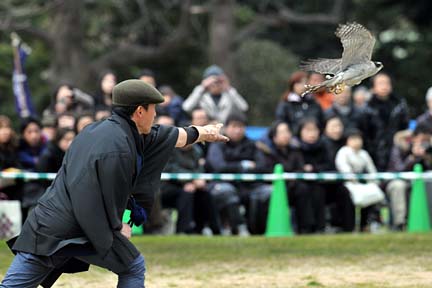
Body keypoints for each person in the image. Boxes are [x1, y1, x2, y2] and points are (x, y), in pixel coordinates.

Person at [1, 79, 228, 288]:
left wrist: (203, 132)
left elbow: (168, 136)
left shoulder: (106, 130)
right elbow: (91, 195)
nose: (156, 115)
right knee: (132, 265)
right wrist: (117, 227)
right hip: (66, 228)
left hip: (51, 224)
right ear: (140, 111)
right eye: (154, 109)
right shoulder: (117, 149)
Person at [206, 114, 265, 235]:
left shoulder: (252, 145)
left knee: (267, 192)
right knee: (226, 191)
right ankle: (238, 228)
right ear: (226, 128)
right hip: (221, 184)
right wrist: (243, 165)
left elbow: (262, 166)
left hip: (248, 185)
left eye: (241, 127)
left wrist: (233, 166)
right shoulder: (217, 144)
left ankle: (258, 230)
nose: (237, 130)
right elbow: (219, 166)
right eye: (234, 126)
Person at [335, 128, 383, 232]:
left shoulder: (364, 154)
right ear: (347, 140)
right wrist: (354, 180)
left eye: (359, 138)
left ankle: (364, 224)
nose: (357, 141)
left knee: (370, 193)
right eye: (353, 139)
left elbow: (372, 170)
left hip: (363, 183)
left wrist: (374, 182)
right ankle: (349, 227)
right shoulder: (343, 152)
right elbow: (344, 168)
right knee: (348, 196)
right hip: (348, 183)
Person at [386, 125, 432, 230]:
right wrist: (412, 158)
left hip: (420, 182)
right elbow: (399, 169)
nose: (423, 143)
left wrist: (426, 157)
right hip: (397, 181)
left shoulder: (427, 150)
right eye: (422, 140)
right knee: (398, 186)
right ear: (414, 138)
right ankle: (400, 224)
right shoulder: (399, 148)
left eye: (426, 140)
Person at [366, 72, 409, 171]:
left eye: (387, 83)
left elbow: (405, 127)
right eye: (380, 83)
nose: (384, 86)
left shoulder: (400, 105)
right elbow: (365, 133)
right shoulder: (367, 107)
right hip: (374, 152)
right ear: (373, 87)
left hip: (396, 150)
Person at [183, 65, 248, 124]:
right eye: (211, 82)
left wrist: (229, 88)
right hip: (206, 130)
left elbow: (244, 107)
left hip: (225, 131)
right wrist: (201, 87)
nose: (215, 84)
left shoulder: (229, 95)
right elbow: (186, 107)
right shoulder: (201, 96)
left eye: (218, 81)